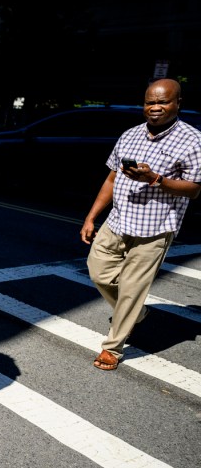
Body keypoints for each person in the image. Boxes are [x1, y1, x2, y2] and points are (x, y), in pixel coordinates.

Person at [80, 78, 201, 371]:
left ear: (177, 104)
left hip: (155, 228)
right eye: (150, 102)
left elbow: (194, 188)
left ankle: (113, 347)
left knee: (132, 288)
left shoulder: (193, 140)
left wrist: (155, 179)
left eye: (163, 102)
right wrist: (92, 216)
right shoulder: (130, 135)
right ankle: (137, 314)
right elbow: (112, 178)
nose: (155, 108)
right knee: (99, 272)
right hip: (118, 220)